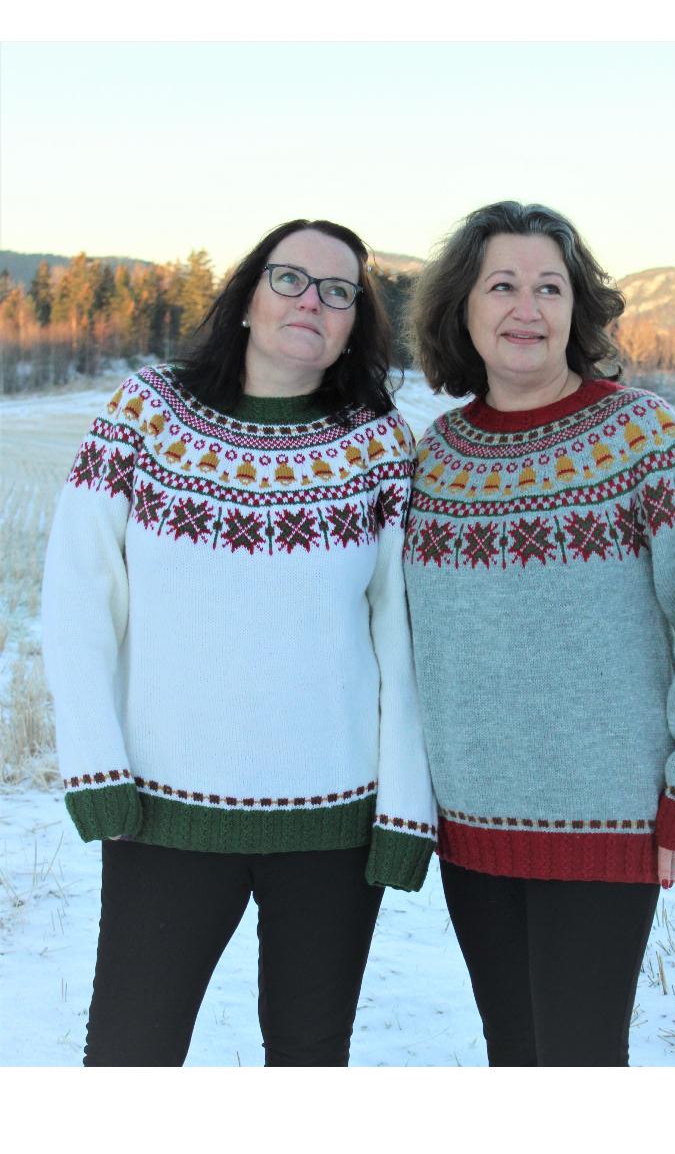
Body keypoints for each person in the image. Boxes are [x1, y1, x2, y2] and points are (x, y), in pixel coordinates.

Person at [42, 218, 436, 1067]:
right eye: (290, 278)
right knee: (129, 1056)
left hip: (333, 826)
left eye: (339, 292)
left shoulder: (377, 441)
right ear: (248, 297)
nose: (312, 301)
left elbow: (401, 636)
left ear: (354, 325)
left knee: (309, 1057)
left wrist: (405, 810)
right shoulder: (148, 411)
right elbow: (77, 596)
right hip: (162, 815)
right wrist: (95, 768)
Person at [402, 201, 675, 1067]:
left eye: (550, 288)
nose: (527, 309)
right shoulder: (436, 458)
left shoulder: (644, 436)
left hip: (608, 824)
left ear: (577, 308)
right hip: (471, 827)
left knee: (579, 1060)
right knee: (513, 1054)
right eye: (502, 286)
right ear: (463, 308)